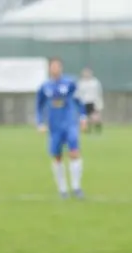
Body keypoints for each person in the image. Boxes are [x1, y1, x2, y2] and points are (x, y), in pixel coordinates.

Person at [36, 57, 87, 199]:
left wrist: (83, 117)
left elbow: (79, 100)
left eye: (57, 66)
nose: (55, 69)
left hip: (70, 123)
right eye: (52, 66)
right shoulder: (44, 87)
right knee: (57, 156)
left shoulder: (70, 83)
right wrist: (40, 123)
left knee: (74, 152)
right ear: (49, 68)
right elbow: (39, 106)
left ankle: (76, 187)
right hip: (54, 126)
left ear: (61, 68)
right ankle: (63, 189)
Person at [77, 67, 104, 134]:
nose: (86, 74)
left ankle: (98, 129)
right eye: (85, 73)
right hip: (84, 102)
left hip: (93, 102)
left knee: (95, 117)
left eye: (88, 72)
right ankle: (87, 130)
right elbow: (78, 93)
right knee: (84, 118)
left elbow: (99, 92)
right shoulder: (81, 82)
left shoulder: (95, 82)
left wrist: (99, 102)